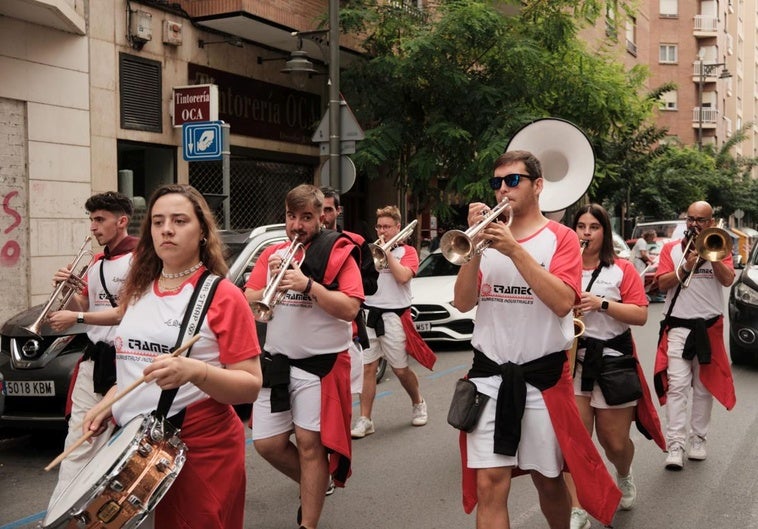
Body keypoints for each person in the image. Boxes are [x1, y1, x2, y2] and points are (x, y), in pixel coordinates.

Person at [452, 150, 621, 529]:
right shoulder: (485, 240)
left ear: (538, 186)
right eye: (496, 183)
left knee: (548, 481)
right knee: (490, 485)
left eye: (513, 181)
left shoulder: (561, 238)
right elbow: (463, 302)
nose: (502, 190)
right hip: (489, 378)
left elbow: (563, 301)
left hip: (541, 381)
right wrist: (474, 249)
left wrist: (513, 249)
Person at [83, 184, 262, 529]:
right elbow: (134, 367)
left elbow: (250, 386)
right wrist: (108, 402)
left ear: (202, 232)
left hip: (200, 447)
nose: (167, 229)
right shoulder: (137, 288)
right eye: (158, 221)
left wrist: (195, 370)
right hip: (138, 446)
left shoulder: (223, 295)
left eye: (179, 220)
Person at [245, 184, 363, 529]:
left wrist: (308, 286)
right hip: (278, 362)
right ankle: (316, 481)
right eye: (291, 216)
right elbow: (250, 297)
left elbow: (351, 308)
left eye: (306, 217)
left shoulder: (340, 251)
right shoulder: (273, 253)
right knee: (267, 443)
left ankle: (307, 523)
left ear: (321, 218)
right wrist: (272, 279)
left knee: (311, 444)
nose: (297, 225)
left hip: (320, 365)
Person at [567, 204, 666, 529]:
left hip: (612, 363)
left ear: (604, 232)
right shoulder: (561, 269)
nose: (585, 233)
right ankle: (579, 508)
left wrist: (602, 303)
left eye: (593, 227)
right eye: (580, 226)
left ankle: (623, 473)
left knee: (614, 442)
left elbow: (640, 314)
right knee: (575, 442)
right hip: (574, 363)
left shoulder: (620, 269)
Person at [45, 191, 138, 511]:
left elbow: (124, 313)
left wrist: (77, 317)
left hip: (129, 361)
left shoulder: (140, 258)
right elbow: (83, 305)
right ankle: (60, 514)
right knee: (78, 443)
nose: (93, 227)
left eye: (100, 220)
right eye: (91, 220)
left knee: (133, 448)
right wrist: (70, 291)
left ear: (122, 221)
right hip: (95, 358)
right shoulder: (96, 261)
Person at [653, 201, 736, 471]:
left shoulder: (719, 246)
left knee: (703, 387)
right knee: (677, 386)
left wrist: (711, 258)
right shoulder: (670, 249)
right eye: (690, 219)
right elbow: (661, 283)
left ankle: (698, 439)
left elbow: (727, 280)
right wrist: (687, 266)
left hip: (709, 326)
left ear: (710, 223)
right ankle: (675, 444)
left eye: (701, 220)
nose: (694, 224)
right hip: (678, 326)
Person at [350, 205, 436, 439]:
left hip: (394, 316)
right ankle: (365, 418)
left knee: (400, 369)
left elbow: (403, 277)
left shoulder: (408, 252)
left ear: (398, 228)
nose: (382, 231)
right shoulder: (369, 251)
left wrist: (386, 252)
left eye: (387, 227)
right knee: (367, 368)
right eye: (379, 226)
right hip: (370, 314)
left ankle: (418, 401)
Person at [321, 186, 379, 395]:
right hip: (312, 331)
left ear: (339, 211)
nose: (323, 216)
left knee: (342, 397)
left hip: (346, 326)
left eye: (328, 210)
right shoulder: (303, 243)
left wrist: (344, 286)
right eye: (320, 209)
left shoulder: (356, 242)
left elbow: (372, 284)